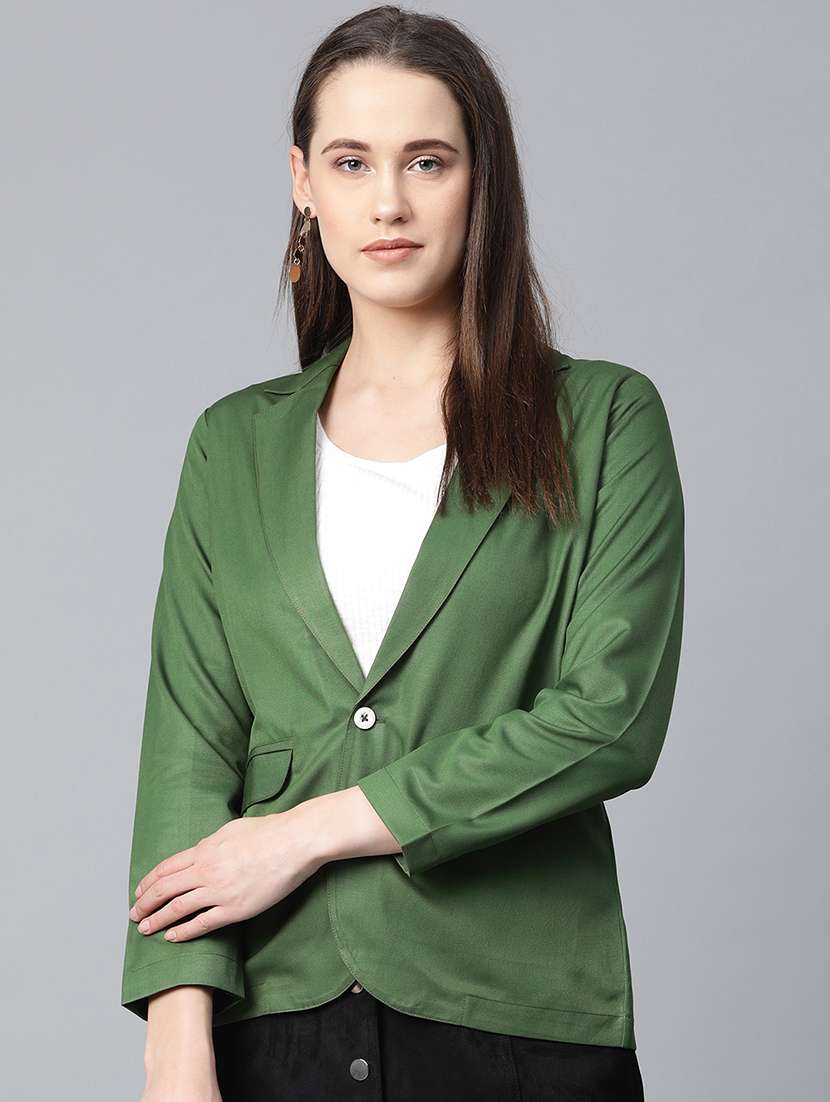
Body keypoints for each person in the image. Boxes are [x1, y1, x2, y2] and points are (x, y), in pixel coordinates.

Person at [121, 6, 684, 1100]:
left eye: (427, 161)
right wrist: (174, 1040)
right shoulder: (233, 446)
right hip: (276, 1022)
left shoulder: (603, 420)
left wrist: (308, 832)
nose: (387, 202)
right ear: (302, 181)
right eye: (350, 162)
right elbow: (186, 751)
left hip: (516, 1018)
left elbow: (609, 717)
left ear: (482, 179)